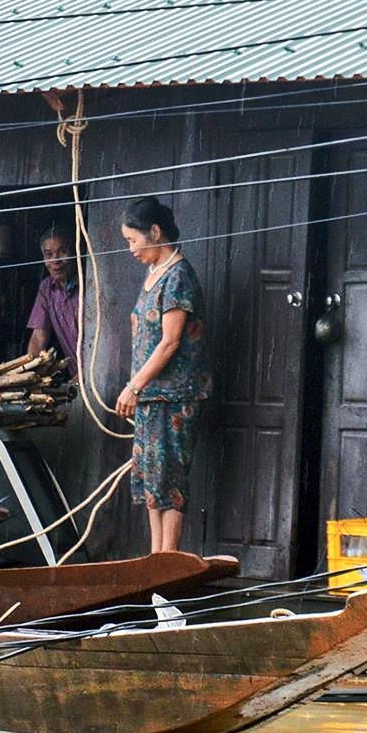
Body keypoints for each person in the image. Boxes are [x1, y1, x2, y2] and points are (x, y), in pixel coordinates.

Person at [113, 197, 210, 553]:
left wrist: (132, 386)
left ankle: (167, 566)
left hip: (173, 396)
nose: (130, 249)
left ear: (155, 232)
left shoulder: (178, 276)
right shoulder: (153, 273)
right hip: (150, 397)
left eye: (132, 240)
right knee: (153, 484)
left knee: (170, 482)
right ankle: (156, 559)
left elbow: (169, 343)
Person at [24, 224, 80, 363]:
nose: (55, 260)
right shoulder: (47, 288)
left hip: (98, 373)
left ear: (75, 251)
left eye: (62, 252)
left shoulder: (89, 283)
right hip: (75, 376)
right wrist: (29, 371)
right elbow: (38, 338)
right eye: (48, 254)